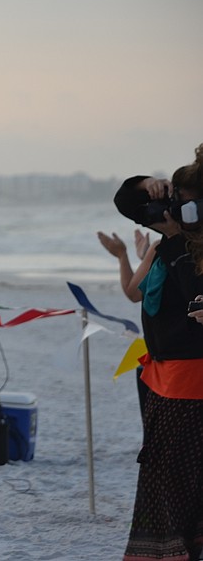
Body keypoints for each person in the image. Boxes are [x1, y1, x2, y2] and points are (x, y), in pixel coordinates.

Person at [114, 144, 203, 561]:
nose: (173, 210)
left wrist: (176, 240)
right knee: (169, 468)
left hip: (188, 377)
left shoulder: (186, 247)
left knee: (170, 470)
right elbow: (126, 203)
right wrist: (145, 184)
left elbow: (194, 296)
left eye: (183, 202)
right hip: (161, 372)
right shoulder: (167, 244)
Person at [96, 229, 156, 426]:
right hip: (175, 355)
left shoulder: (163, 248)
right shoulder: (169, 250)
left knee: (159, 432)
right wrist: (146, 257)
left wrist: (122, 255)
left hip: (167, 361)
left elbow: (133, 292)